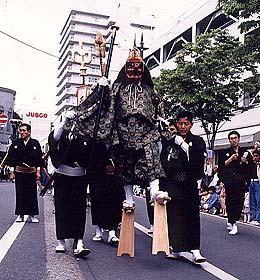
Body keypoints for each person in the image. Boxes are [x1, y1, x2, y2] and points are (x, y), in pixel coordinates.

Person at [160, 111, 207, 263]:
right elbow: (163, 162)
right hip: (173, 183)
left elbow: (197, 162)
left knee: (192, 215)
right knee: (174, 215)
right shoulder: (170, 141)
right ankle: (177, 247)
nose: (183, 126)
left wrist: (184, 145)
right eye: (180, 123)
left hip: (189, 183)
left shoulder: (198, 141)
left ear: (191, 125)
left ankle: (195, 249)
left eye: (186, 124)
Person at [48, 112, 91, 258]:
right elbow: (54, 138)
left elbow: (92, 153)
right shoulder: (61, 133)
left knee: (79, 209)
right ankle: (61, 241)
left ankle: (79, 241)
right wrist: (65, 120)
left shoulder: (86, 134)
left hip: (80, 177)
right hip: (63, 176)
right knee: (61, 208)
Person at [6, 123, 43, 223]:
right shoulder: (16, 143)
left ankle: (32, 215)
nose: (22, 132)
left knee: (32, 193)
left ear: (29, 131)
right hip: (19, 171)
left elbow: (39, 159)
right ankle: (20, 215)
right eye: (20, 130)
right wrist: (12, 172)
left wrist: (38, 171)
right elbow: (11, 158)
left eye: (24, 130)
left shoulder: (35, 143)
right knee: (20, 192)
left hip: (31, 172)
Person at [218, 130, 252, 235]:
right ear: (229, 140)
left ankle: (232, 220)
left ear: (239, 139)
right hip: (230, 181)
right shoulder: (225, 152)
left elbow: (251, 166)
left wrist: (245, 161)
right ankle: (232, 222)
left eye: (235, 138)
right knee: (230, 201)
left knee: (239, 202)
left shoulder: (245, 152)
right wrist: (230, 159)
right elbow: (221, 166)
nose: (233, 140)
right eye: (231, 138)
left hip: (241, 181)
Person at [249, 147, 260, 226]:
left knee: (258, 201)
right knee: (252, 201)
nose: (254, 157)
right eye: (254, 156)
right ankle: (253, 217)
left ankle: (257, 218)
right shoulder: (252, 164)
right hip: (251, 182)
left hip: (258, 182)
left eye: (256, 156)